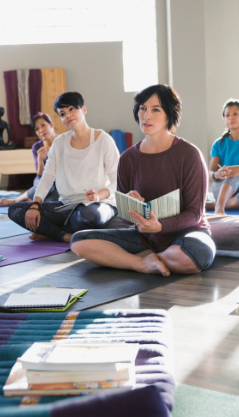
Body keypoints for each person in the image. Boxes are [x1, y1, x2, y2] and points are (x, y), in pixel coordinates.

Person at [71, 84, 215, 276]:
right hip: (145, 237)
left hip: (186, 234)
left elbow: (195, 213)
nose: (146, 115)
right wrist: (131, 206)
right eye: (142, 108)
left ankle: (139, 258)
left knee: (195, 255)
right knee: (79, 241)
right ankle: (140, 263)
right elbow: (124, 218)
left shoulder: (189, 154)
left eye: (156, 109)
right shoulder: (128, 158)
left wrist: (161, 226)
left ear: (170, 115)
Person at [8, 92, 119, 243]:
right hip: (67, 205)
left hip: (99, 204)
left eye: (72, 109)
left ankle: (51, 232)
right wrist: (36, 204)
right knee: (16, 209)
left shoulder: (104, 140)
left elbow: (116, 181)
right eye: (62, 113)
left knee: (87, 215)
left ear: (84, 109)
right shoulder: (59, 143)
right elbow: (47, 177)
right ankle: (66, 236)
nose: (68, 115)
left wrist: (99, 195)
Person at [0, 112, 59, 207]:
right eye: (37, 129)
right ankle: (16, 200)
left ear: (51, 124)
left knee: (54, 199)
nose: (41, 130)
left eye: (43, 125)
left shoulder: (63, 141)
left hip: (60, 182)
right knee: (47, 187)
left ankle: (30, 201)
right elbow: (40, 175)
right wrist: (40, 159)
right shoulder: (36, 147)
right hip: (42, 180)